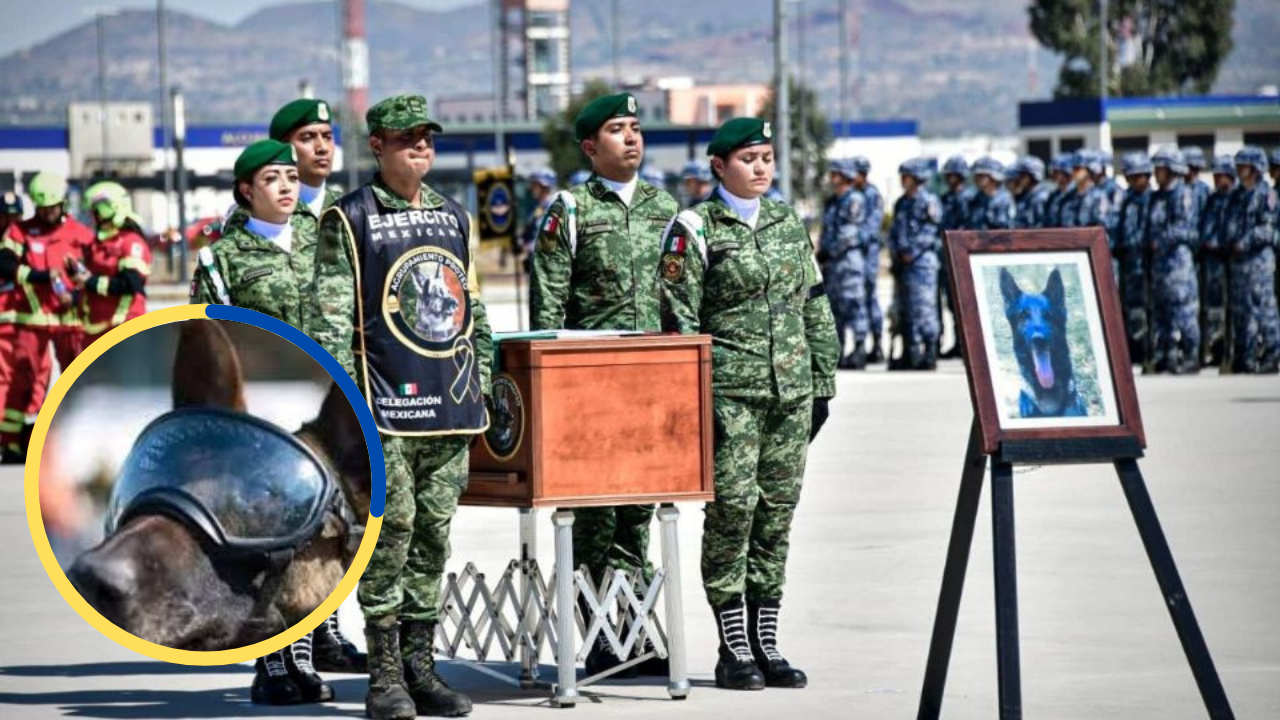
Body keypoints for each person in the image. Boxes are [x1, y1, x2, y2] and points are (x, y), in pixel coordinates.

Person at [307, 94, 491, 719]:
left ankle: (421, 669)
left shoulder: (453, 216)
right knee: (390, 533)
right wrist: (348, 408)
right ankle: (383, 676)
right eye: (407, 137)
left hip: (450, 405)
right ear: (378, 146)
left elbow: (475, 311)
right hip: (383, 410)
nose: (421, 147)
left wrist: (482, 378)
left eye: (427, 137)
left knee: (434, 538)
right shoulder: (349, 218)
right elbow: (329, 325)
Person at [656, 116, 837, 691]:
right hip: (729, 395)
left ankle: (768, 640)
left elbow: (813, 302)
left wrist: (823, 380)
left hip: (791, 392)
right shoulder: (694, 227)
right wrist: (693, 398)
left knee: (776, 515)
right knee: (733, 512)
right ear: (719, 166)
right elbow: (678, 321)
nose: (761, 168)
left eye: (767, 157)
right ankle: (732, 645)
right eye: (748, 159)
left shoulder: (787, 221)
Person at [529, 91, 680, 677]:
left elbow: (681, 296)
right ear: (592, 146)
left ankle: (633, 629)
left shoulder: (665, 208)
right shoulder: (569, 209)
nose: (632, 138)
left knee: (638, 515)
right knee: (593, 517)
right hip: (590, 387)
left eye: (637, 128)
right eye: (618, 129)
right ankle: (589, 634)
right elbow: (549, 304)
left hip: (653, 386)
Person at [190, 139, 342, 705]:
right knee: (274, 543)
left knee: (325, 544)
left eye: (289, 175)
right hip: (266, 420)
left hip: (330, 415)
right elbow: (210, 341)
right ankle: (273, 661)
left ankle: (303, 653)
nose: (285, 185)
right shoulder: (223, 260)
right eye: (270, 177)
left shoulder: (325, 247)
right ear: (245, 191)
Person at [0, 172, 90, 462]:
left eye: (52, 208)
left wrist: (75, 295)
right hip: (33, 320)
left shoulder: (80, 234)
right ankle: (22, 442)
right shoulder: (21, 232)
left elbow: (94, 275)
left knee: (79, 377)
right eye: (41, 209)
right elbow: (4, 264)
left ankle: (77, 440)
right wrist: (39, 276)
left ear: (62, 204)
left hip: (70, 319)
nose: (46, 214)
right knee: (23, 380)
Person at [75, 182, 150, 347]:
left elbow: (131, 283)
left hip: (123, 330)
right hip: (97, 329)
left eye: (96, 212)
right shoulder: (97, 244)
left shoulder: (131, 243)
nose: (93, 217)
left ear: (112, 208)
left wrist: (91, 282)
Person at [1224, 147, 1278, 373]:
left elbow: (1267, 228)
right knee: (1241, 310)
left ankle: (1272, 354)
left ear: (1255, 169)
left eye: (1243, 166)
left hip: (1259, 260)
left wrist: (1244, 241)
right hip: (1238, 261)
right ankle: (1244, 356)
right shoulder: (1236, 195)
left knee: (1263, 308)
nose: (1238, 169)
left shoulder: (1267, 194)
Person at [1147, 149, 1200, 374]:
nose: (1156, 174)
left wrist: (1161, 240)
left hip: (1177, 263)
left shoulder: (1182, 194)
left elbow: (1185, 227)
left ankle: (1191, 355)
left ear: (1172, 170)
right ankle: (1166, 355)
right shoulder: (1157, 196)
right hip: (1159, 264)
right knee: (1162, 311)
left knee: (1184, 310)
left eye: (1160, 169)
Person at [888, 158, 943, 371]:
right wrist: (897, 253)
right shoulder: (902, 203)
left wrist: (911, 252)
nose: (903, 180)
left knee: (924, 308)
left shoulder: (928, 201)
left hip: (922, 264)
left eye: (907, 176)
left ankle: (929, 351)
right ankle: (911, 353)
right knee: (906, 309)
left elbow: (930, 232)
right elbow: (893, 232)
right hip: (903, 265)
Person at [818, 159, 869, 369]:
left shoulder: (854, 199)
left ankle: (859, 348)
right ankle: (838, 350)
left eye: (835, 173)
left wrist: (831, 251)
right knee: (835, 308)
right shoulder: (833, 201)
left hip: (848, 261)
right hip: (833, 264)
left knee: (854, 304)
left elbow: (849, 233)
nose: (831, 177)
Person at [1116, 153, 1154, 366]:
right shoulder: (1127, 200)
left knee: (1147, 309)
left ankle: (1149, 352)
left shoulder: (1153, 199)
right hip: (1129, 263)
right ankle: (1135, 351)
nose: (1131, 181)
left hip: (1147, 264)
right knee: (1130, 309)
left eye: (1135, 176)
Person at [1199, 156, 1236, 367]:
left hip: (1231, 259)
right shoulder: (1213, 200)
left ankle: (1234, 352)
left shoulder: (1236, 198)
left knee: (1233, 309)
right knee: (1214, 310)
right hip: (1212, 262)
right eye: (1215, 175)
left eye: (1221, 175)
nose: (1217, 178)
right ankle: (1217, 350)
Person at [850, 156, 886, 363]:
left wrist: (855, 239)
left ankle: (877, 344)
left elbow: (872, 225)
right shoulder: (853, 195)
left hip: (868, 254)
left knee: (870, 296)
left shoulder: (872, 195)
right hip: (857, 254)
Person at [937, 156, 970, 359]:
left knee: (961, 303)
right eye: (948, 175)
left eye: (953, 175)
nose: (950, 179)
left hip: (958, 256)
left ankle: (965, 344)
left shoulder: (967, 199)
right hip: (944, 256)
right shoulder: (945, 199)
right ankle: (957, 342)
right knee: (950, 302)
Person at [0, 191, 25, 461]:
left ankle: (11, 442)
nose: (8, 221)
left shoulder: (17, 242)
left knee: (15, 382)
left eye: (14, 216)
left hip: (13, 321)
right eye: (4, 216)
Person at [517, 168, 557, 273]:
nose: (532, 188)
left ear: (545, 187)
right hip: (534, 260)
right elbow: (529, 231)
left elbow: (549, 237)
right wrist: (520, 242)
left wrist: (529, 247)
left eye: (535, 185)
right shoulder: (536, 207)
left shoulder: (553, 207)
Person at [1060, 150, 1110, 231]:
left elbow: (1101, 230)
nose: (1073, 172)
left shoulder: (1098, 197)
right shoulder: (1068, 197)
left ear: (1089, 170)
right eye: (1072, 168)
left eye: (1077, 169)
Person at [967, 157, 1015, 230]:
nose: (976, 178)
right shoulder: (977, 198)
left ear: (993, 177)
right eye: (976, 175)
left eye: (981, 175)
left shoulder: (1005, 200)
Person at [1011, 156, 1049, 230]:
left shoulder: (1041, 198)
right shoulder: (1024, 196)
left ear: (1033, 176)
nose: (1019, 178)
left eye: (1023, 175)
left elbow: (1041, 226)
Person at [1043, 154, 1074, 228]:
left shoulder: (1076, 195)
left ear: (1066, 172)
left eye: (1056, 172)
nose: (1053, 175)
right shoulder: (1054, 196)